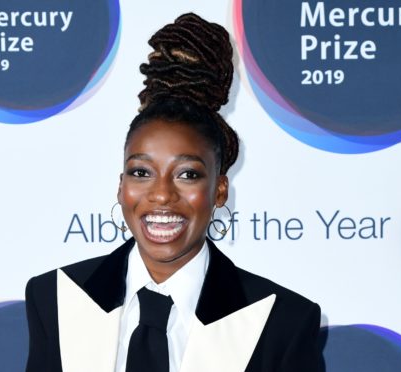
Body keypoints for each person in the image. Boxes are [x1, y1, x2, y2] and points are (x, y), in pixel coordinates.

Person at [25, 13, 321, 372]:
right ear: (121, 187)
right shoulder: (54, 299)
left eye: (187, 174)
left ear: (220, 191)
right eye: (141, 172)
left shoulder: (283, 323)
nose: (162, 194)